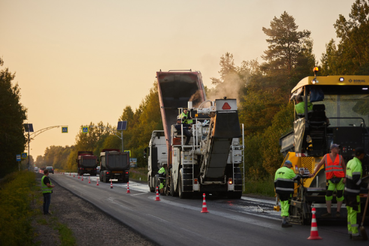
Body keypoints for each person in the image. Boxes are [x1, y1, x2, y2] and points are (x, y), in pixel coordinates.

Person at [309, 143, 346, 217]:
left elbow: (344, 167)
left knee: (339, 195)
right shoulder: (326, 156)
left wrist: (345, 177)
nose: (338, 149)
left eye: (338, 148)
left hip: (340, 179)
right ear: (332, 149)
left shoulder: (340, 157)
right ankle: (328, 212)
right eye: (337, 148)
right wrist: (314, 173)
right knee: (328, 194)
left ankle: (338, 211)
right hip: (331, 179)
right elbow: (319, 165)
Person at [345, 147, 369, 240]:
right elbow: (356, 180)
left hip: (347, 192)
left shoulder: (350, 162)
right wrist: (366, 186)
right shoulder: (357, 164)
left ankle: (350, 231)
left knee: (350, 212)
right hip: (353, 193)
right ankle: (355, 233)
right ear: (361, 155)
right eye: (363, 154)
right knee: (354, 212)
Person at [274, 160, 299, 228]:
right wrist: (301, 174)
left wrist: (276, 190)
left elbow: (275, 181)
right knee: (286, 204)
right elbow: (296, 177)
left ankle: (283, 218)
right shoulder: (289, 171)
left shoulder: (278, 170)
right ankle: (284, 221)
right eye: (290, 166)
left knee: (282, 203)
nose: (291, 167)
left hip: (279, 190)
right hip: (287, 191)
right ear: (288, 165)